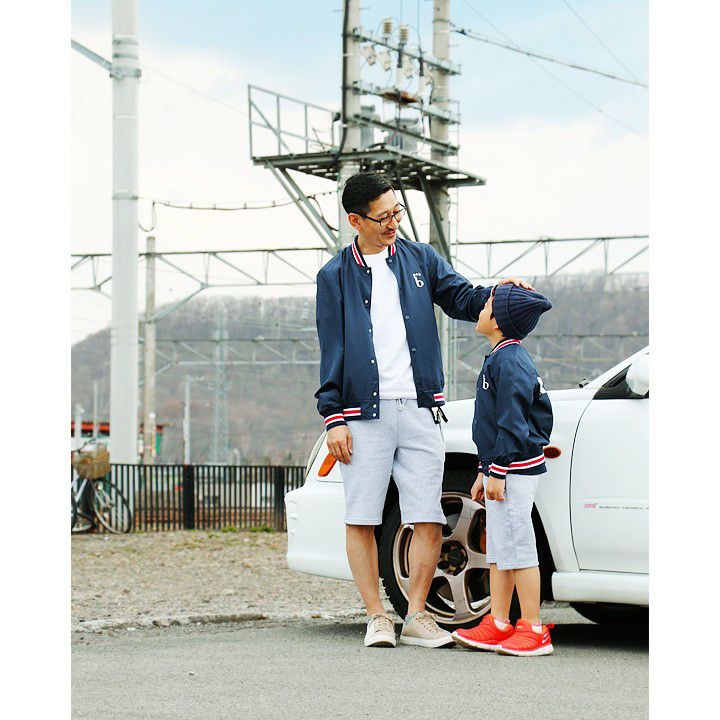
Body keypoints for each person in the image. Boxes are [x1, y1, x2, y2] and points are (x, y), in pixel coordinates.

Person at [314, 171, 534, 648]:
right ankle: (376, 617)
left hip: (420, 408)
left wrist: (501, 293)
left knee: (427, 515)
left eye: (397, 211)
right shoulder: (334, 276)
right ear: (356, 221)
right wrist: (334, 418)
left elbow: (464, 298)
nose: (394, 222)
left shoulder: (421, 259)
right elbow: (331, 349)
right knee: (362, 517)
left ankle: (416, 615)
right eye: (382, 216)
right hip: (362, 414)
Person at [452, 283, 555, 656]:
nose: (480, 308)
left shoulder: (509, 361)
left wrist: (497, 470)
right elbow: (495, 425)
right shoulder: (502, 356)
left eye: (487, 305)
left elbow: (512, 422)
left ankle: (534, 628)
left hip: (514, 468)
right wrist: (485, 469)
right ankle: (498, 621)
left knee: (519, 547)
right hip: (503, 466)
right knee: (499, 547)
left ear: (497, 320)